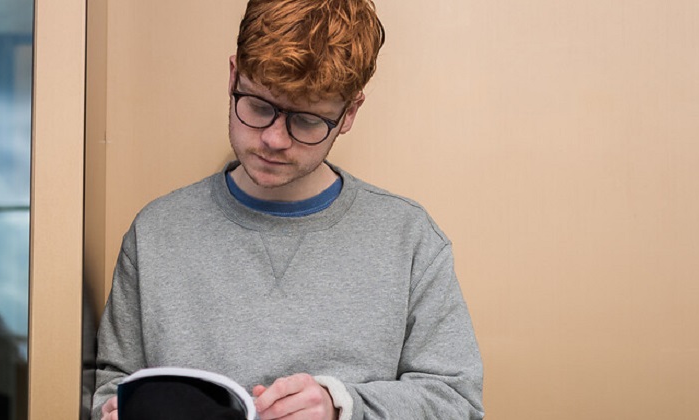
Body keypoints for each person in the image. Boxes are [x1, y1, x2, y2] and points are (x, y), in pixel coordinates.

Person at [90, 1, 484, 419]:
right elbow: (108, 389)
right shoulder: (156, 232)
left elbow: (458, 403)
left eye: (307, 120)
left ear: (349, 113)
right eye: (259, 107)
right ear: (233, 77)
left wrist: (342, 407)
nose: (275, 140)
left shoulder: (410, 238)